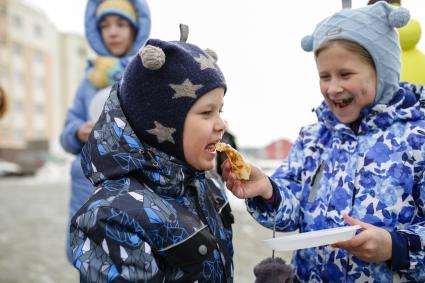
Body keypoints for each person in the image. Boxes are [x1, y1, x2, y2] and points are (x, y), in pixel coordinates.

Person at [222, 2, 425, 282]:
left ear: (384, 72)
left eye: (345, 74)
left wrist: (395, 246)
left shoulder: (418, 139)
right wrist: (267, 190)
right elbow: (288, 212)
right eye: (324, 76)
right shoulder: (314, 137)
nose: (332, 87)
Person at [69, 34, 234, 282]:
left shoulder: (207, 185)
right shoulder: (112, 217)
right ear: (164, 125)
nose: (221, 124)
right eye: (206, 112)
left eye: (220, 110)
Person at [59, 0, 151, 263]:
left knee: (136, 261)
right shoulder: (89, 80)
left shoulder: (146, 71)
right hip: (87, 184)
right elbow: (65, 134)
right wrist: (78, 132)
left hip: (134, 179)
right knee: (90, 258)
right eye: (105, 25)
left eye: (121, 24)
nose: (112, 32)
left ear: (136, 28)